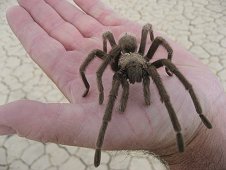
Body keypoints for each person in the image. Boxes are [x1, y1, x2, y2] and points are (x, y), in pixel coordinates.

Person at [1, 0, 226, 169]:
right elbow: (100, 69)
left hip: (137, 58)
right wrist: (96, 87)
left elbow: (162, 47)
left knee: (165, 73)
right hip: (123, 58)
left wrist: (193, 134)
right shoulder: (117, 65)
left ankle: (195, 116)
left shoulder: (147, 62)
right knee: (111, 93)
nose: (138, 79)